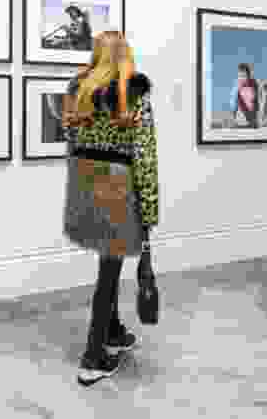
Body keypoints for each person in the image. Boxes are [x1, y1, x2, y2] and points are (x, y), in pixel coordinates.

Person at [62, 31, 159, 386]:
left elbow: (69, 139)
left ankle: (114, 330)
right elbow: (144, 153)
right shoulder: (132, 93)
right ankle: (93, 355)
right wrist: (149, 208)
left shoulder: (78, 91)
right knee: (110, 271)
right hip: (119, 184)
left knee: (107, 260)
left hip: (85, 181)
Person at [236, 63, 260, 128]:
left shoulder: (253, 84)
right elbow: (240, 103)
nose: (242, 78)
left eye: (244, 76)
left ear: (248, 75)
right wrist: (247, 114)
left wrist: (254, 115)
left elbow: (256, 100)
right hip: (243, 118)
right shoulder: (239, 87)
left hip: (252, 117)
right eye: (240, 76)